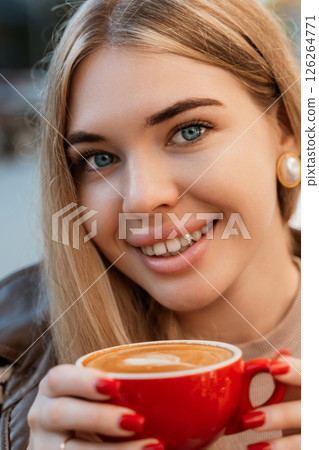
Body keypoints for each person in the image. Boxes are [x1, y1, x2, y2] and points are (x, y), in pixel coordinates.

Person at [0, 0, 301, 449]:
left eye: (189, 131)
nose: (141, 197)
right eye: (99, 158)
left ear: (285, 128)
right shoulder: (11, 366)